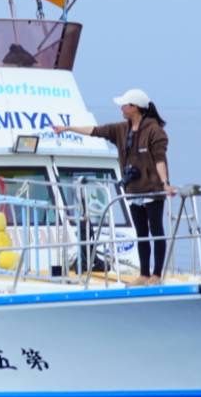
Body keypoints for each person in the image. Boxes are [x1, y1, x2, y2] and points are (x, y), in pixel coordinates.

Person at [52, 89, 172, 282]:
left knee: (156, 230)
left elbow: (160, 160)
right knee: (141, 233)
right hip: (133, 190)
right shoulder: (120, 129)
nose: (121, 108)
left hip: (152, 190)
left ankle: (157, 273)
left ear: (134, 107)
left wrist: (165, 183)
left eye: (124, 105)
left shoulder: (154, 131)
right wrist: (67, 129)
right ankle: (144, 273)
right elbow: (94, 131)